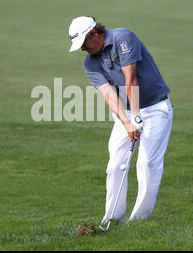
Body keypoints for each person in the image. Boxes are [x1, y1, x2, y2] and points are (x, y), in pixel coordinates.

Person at [68, 16, 173, 223]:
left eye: (84, 43)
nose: (82, 49)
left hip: (155, 108)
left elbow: (130, 78)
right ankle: (113, 218)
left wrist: (135, 116)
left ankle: (139, 220)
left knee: (147, 163)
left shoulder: (123, 37)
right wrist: (127, 122)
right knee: (115, 165)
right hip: (125, 114)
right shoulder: (90, 63)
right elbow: (108, 94)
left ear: (94, 33)